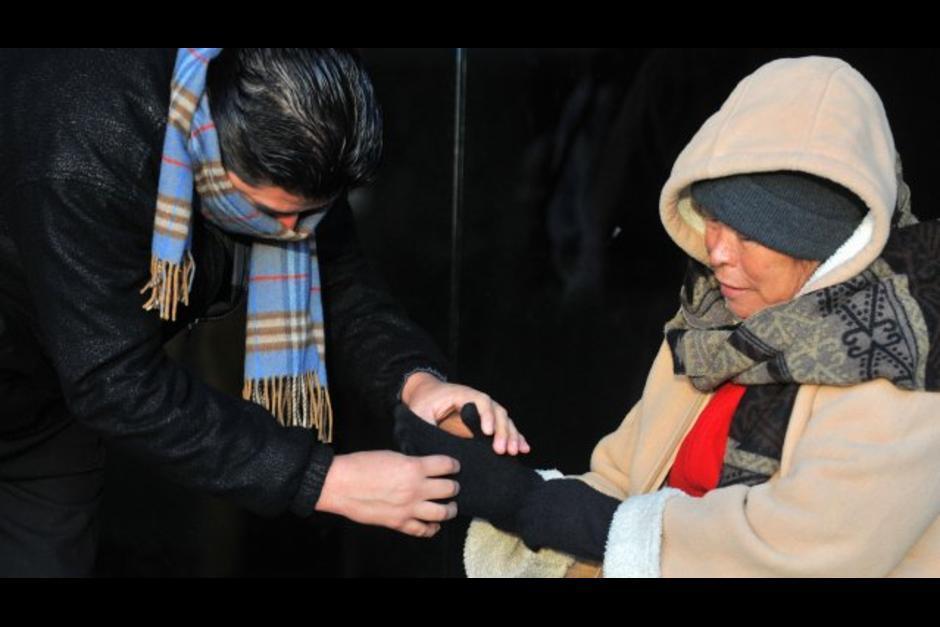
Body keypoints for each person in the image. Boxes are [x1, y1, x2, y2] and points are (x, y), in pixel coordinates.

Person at [395, 56, 940, 577]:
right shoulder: (711, 323)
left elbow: (798, 553)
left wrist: (532, 506)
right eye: (711, 219)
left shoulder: (906, 360)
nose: (717, 251)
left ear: (820, 246)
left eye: (747, 234)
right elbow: (620, 480)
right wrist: (494, 479)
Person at [0, 48, 528, 577]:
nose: (295, 235)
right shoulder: (86, 145)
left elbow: (338, 281)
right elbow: (113, 378)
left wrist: (415, 383)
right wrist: (326, 480)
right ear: (217, 140)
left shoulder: (290, 127)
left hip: (47, 407)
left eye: (311, 216)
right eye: (274, 215)